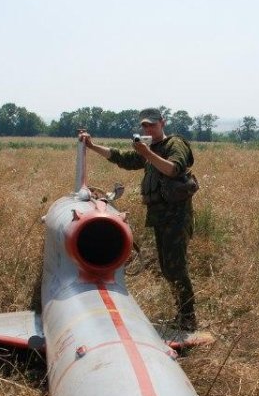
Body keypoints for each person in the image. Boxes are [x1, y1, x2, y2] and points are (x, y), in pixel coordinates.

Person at [78, 108, 198, 331]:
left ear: (163, 123)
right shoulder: (149, 149)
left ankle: (188, 318)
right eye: (144, 126)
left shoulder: (174, 144)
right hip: (162, 217)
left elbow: (174, 169)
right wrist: (93, 147)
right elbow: (122, 158)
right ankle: (183, 314)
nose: (148, 129)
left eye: (152, 125)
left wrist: (147, 153)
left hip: (177, 217)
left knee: (176, 268)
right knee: (167, 268)